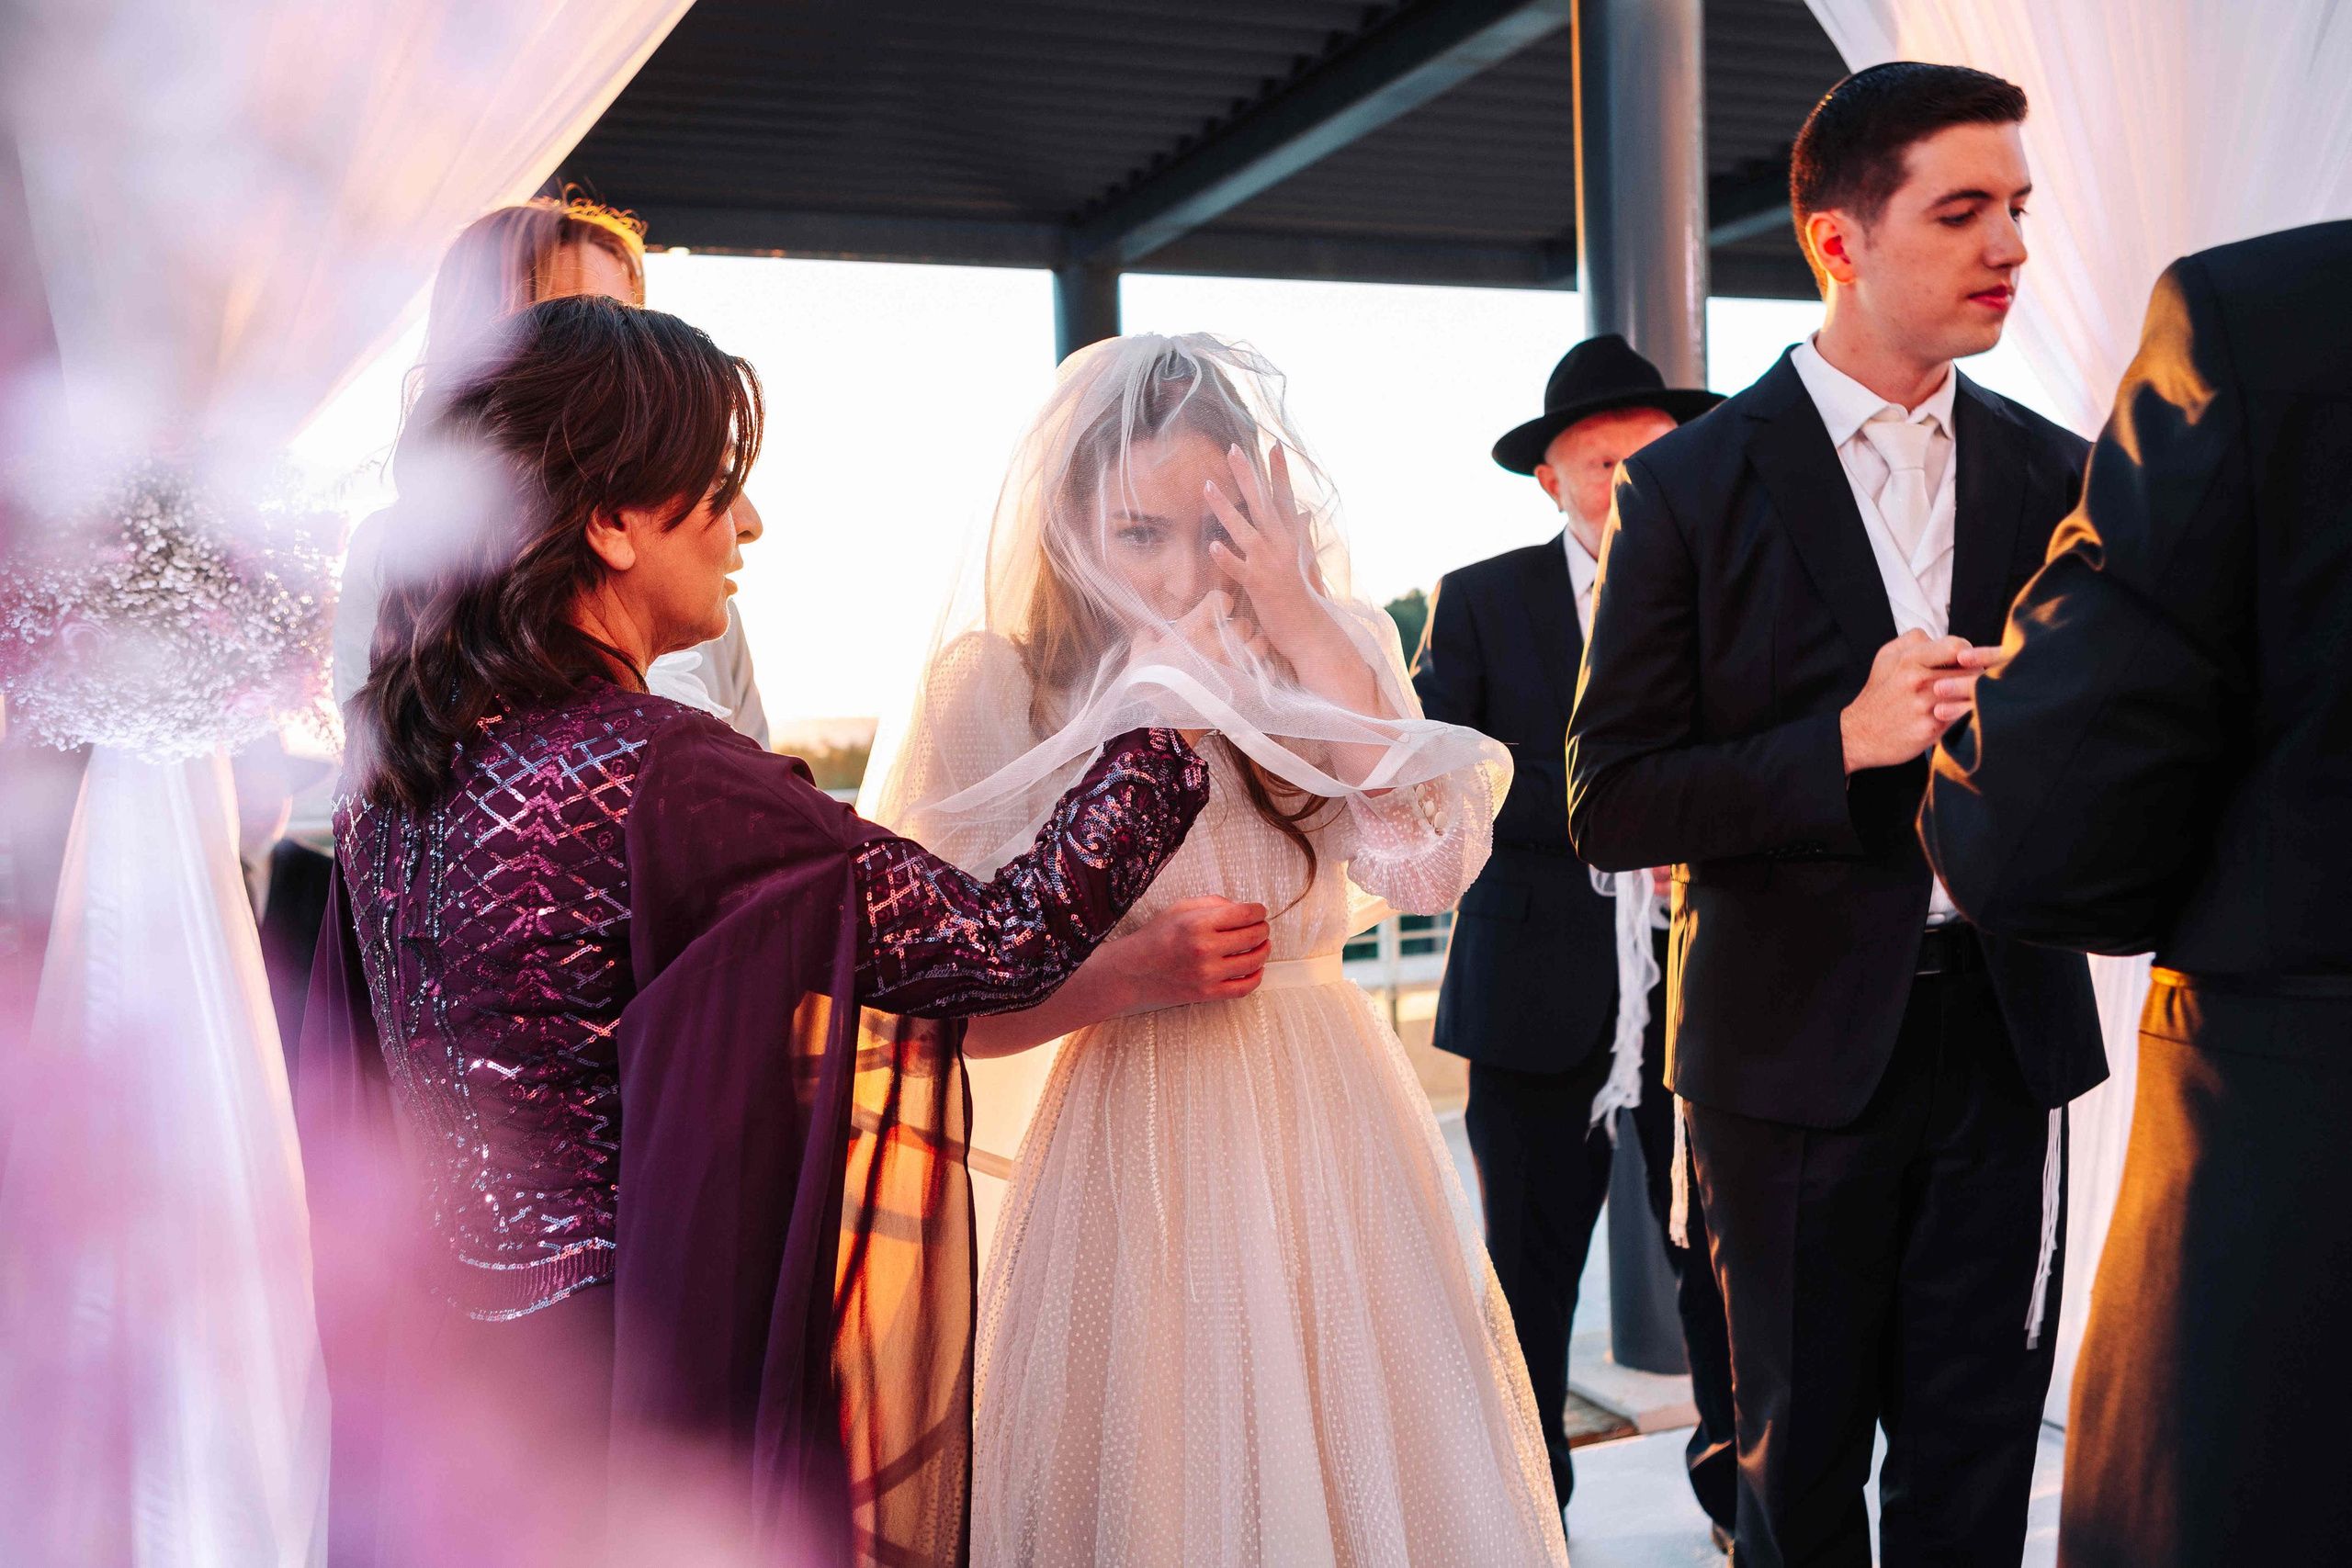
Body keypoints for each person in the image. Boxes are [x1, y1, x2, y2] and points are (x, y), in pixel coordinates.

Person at [301, 295, 1216, 1567]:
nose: (751, 525)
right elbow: (1001, 942)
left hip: (431, 1412)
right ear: (613, 520)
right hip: (621, 1423)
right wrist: (1168, 719)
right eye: (721, 487)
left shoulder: (395, 769)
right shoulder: (663, 775)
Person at [870, 333, 1567, 1566]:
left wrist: (1301, 618)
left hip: (1333, 1130)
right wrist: (1123, 975)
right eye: (1141, 532)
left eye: (1220, 529)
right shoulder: (1000, 688)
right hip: (1134, 1137)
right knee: (1167, 1487)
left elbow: (1430, 868)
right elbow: (934, 1004)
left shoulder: (1321, 648)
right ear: (1068, 523)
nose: (1186, 572)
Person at [1566, 63, 2108, 1566]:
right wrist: (1844, 742)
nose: (2010, 245)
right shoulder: (1686, 487)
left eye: (2018, 207)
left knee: (1978, 1461)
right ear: (1836, 241)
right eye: (1963, 209)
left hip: (2007, 1034)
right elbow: (1609, 799)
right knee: (1794, 1468)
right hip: (1781, 1056)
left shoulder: (2063, 474)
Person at [1917, 219, 2352, 1566]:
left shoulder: (2267, 319)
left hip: (2302, 1203)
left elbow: (2030, 836)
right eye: (1962, 209)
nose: (2008, 240)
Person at [1413, 331, 1736, 1536]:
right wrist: (1632, 813)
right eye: (1604, 463)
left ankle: (1737, 1502)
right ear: (1551, 480)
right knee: (1527, 1279)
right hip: (1530, 990)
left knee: (1723, 1269)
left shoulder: (1735, 587)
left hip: (1707, 989)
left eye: (1656, 458)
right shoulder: (1480, 598)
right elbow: (1442, 773)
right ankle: (1527, 1513)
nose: (1632, 484)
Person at [329, 196, 769, 742]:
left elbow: (756, 751)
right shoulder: (400, 558)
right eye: (574, 313)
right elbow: (388, 766)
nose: (620, 346)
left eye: (629, 315)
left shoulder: (694, 579)